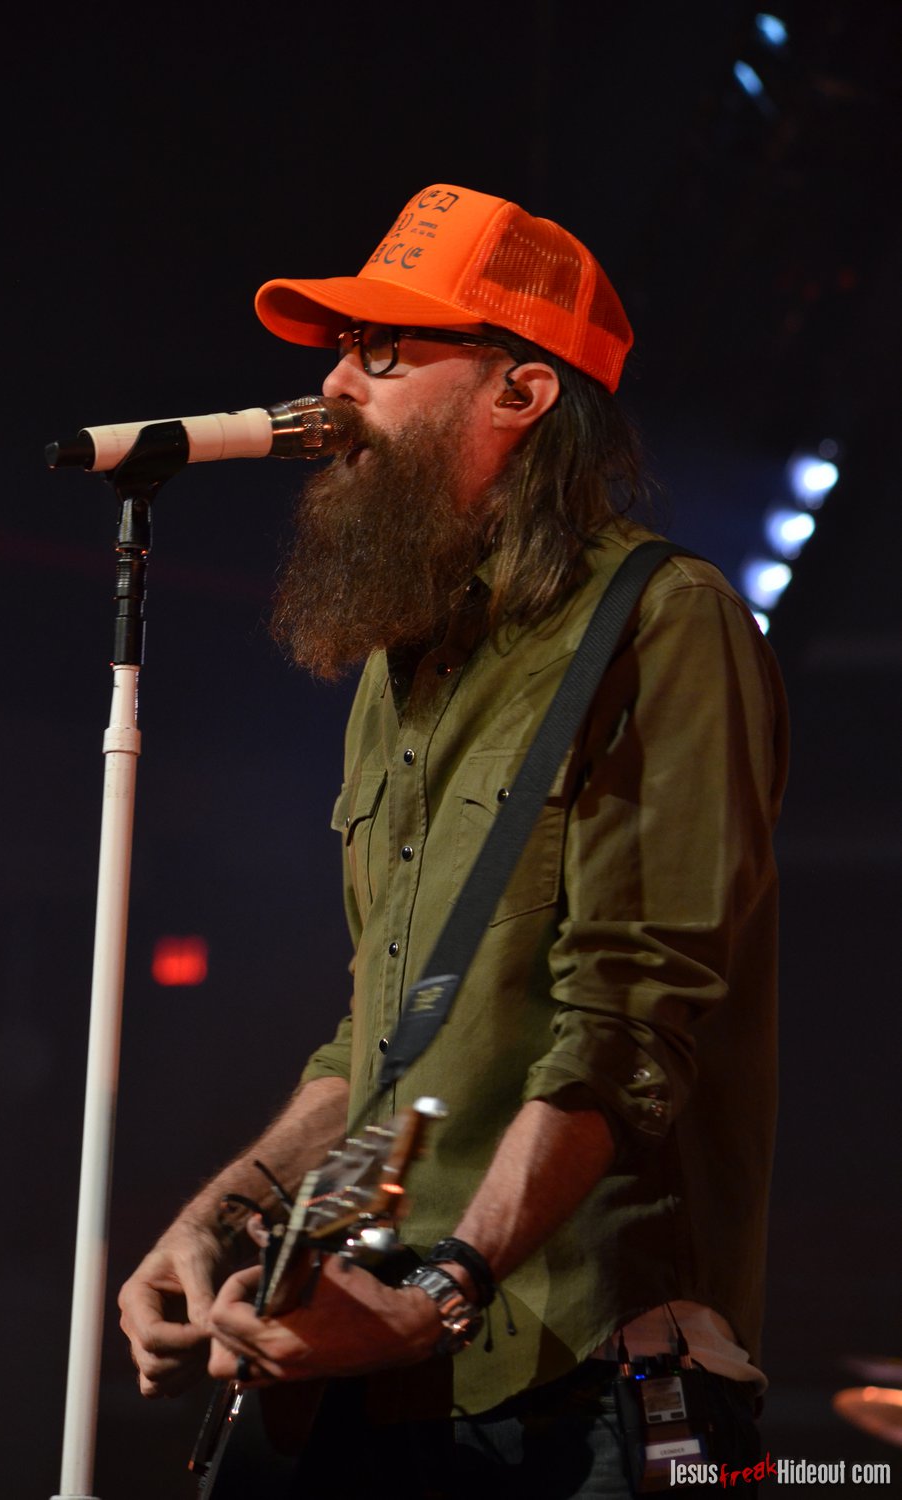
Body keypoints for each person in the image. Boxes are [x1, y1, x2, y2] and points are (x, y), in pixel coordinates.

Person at [118, 183, 788, 1497]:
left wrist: (440, 1293)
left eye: (381, 351)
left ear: (520, 393)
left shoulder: (665, 622)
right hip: (375, 1372)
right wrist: (219, 1220)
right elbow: (375, 1042)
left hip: (580, 1383)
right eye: (337, 348)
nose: (331, 387)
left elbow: (628, 1022)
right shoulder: (402, 663)